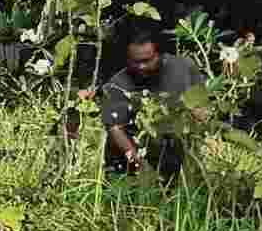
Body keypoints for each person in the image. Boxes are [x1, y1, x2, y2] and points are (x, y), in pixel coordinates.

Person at [83, 30, 205, 180]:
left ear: (159, 55)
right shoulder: (117, 85)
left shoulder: (184, 67)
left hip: (176, 155)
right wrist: (142, 168)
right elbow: (116, 130)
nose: (141, 67)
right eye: (135, 61)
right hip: (130, 161)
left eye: (147, 60)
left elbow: (200, 102)